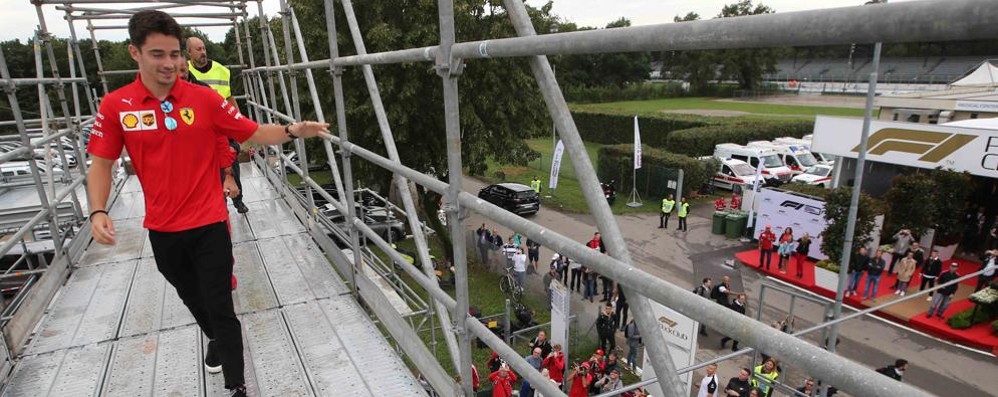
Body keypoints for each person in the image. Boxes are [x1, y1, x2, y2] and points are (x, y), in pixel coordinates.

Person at [86, 11, 329, 397]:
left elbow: (250, 131)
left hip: (209, 223)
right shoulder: (118, 106)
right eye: (157, 54)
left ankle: (237, 386)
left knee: (220, 306)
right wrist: (98, 210)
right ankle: (216, 338)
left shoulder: (204, 98)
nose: (169, 64)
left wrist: (291, 130)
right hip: (163, 230)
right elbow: (100, 164)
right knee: (193, 299)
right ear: (135, 53)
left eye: (174, 54)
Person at [186, 36, 248, 214]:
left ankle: (238, 200)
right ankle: (219, 204)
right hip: (198, 129)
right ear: (188, 53)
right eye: (198, 49)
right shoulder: (183, 70)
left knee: (231, 163)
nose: (203, 52)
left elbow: (229, 98)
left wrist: (238, 122)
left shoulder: (222, 70)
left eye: (204, 48)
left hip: (222, 126)